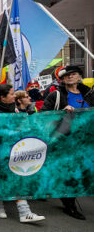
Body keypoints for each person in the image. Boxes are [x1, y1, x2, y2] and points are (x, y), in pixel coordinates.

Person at [0, 84, 46, 223]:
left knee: (16, 177)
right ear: (2, 97)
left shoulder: (16, 110)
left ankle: (24, 212)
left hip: (13, 152)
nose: (14, 96)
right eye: (11, 94)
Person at [41, 65, 92, 220]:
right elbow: (43, 115)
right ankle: (69, 205)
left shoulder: (89, 95)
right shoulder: (56, 95)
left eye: (73, 74)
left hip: (84, 141)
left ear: (79, 77)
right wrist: (61, 110)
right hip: (64, 140)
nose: (70, 76)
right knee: (69, 172)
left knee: (82, 171)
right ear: (62, 79)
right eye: (66, 75)